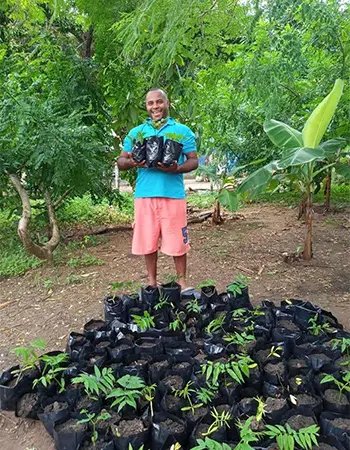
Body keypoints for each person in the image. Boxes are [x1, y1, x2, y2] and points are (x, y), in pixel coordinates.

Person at [117, 88, 198, 289]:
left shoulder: (182, 131)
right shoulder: (137, 133)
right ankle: (152, 283)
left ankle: (182, 282)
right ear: (146, 106)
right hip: (144, 196)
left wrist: (177, 168)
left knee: (178, 241)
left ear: (167, 103)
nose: (155, 107)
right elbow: (121, 160)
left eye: (159, 102)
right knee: (148, 241)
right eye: (150, 103)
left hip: (173, 195)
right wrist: (133, 163)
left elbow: (193, 161)